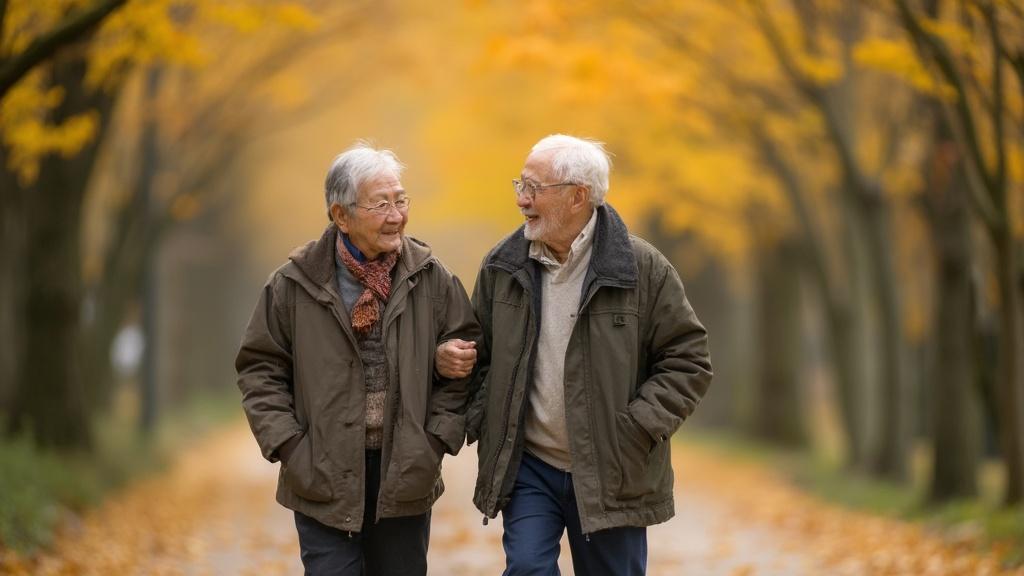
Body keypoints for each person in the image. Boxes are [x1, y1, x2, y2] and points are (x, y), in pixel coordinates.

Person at [450, 134, 713, 575]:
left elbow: (689, 359)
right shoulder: (503, 265)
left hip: (613, 466)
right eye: (521, 185)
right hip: (529, 464)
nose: (521, 200)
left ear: (578, 197)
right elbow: (482, 353)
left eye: (534, 189)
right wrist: (485, 414)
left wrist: (638, 427)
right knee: (527, 569)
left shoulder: (642, 267)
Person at [235, 142, 479, 576]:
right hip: (320, 473)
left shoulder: (431, 277)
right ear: (340, 214)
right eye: (381, 203)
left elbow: (466, 364)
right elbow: (260, 370)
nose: (396, 215)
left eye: (400, 200)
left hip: (405, 471)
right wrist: (293, 449)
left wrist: (434, 442)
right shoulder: (294, 284)